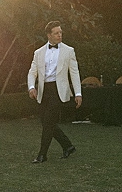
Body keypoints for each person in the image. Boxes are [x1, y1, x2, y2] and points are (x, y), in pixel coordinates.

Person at [28, 21, 82, 163]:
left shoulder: (69, 51)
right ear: (49, 35)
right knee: (47, 123)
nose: (60, 35)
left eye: (60, 32)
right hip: (43, 91)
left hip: (58, 91)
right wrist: (31, 87)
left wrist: (78, 93)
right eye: (56, 33)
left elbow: (74, 73)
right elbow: (32, 72)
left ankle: (42, 155)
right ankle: (68, 146)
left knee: (48, 123)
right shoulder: (38, 53)